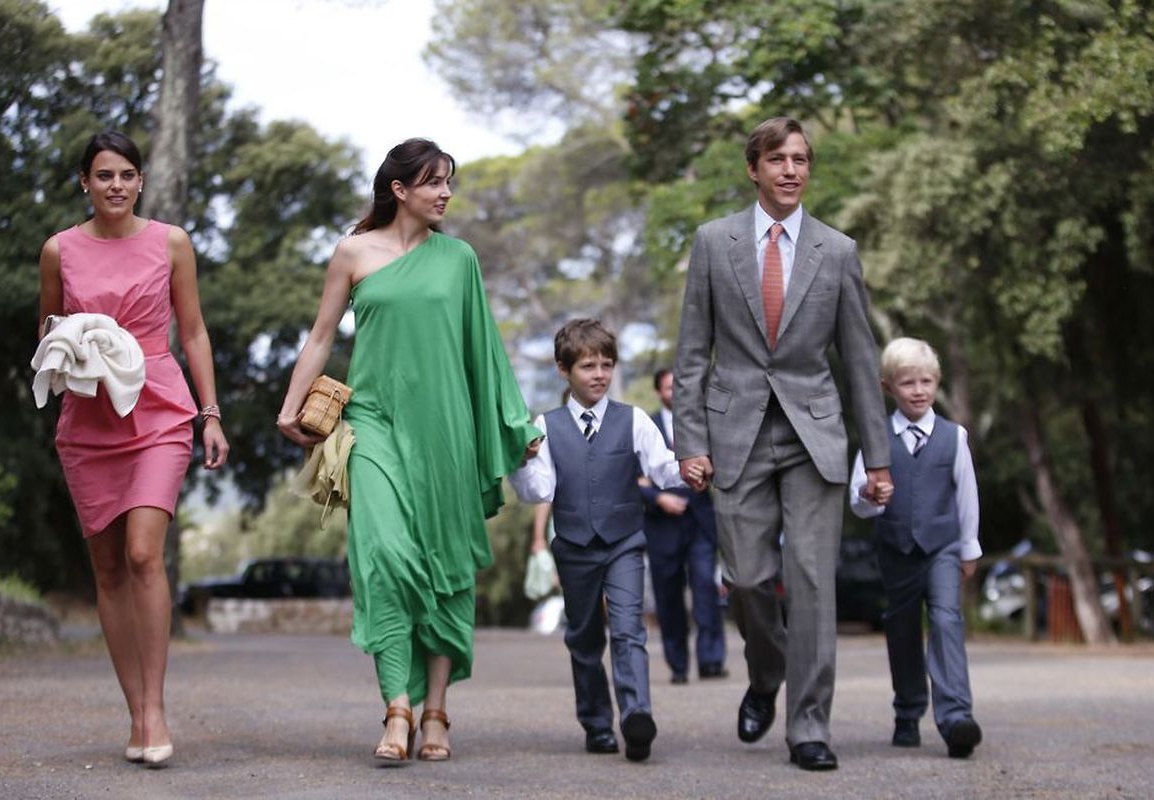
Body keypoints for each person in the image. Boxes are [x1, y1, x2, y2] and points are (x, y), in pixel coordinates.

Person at [276, 138, 541, 763]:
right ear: (400, 190)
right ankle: (397, 705)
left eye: (450, 182)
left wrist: (513, 422)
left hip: (445, 432)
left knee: (446, 569)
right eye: (433, 182)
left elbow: (484, 349)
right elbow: (320, 338)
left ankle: (437, 713)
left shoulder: (459, 260)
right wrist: (290, 405)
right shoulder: (353, 253)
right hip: (372, 427)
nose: (445, 193)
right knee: (386, 560)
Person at [672, 116, 893, 771]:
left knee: (813, 583)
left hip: (814, 434)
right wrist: (690, 441)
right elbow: (690, 355)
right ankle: (766, 673)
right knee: (745, 580)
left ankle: (809, 727)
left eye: (801, 159)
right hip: (734, 431)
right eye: (778, 160)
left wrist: (876, 457)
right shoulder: (714, 243)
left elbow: (859, 357)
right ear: (754, 169)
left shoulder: (838, 250)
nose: (792, 170)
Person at [37, 130, 229, 766]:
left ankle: (157, 709)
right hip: (89, 419)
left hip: (160, 409)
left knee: (145, 553)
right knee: (109, 569)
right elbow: (45, 335)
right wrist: (71, 342)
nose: (114, 184)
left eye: (125, 174)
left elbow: (194, 331)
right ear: (84, 184)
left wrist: (211, 416)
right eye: (102, 175)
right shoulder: (58, 250)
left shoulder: (170, 242)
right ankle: (135, 713)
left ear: (140, 181)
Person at [509, 319, 682, 762]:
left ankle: (636, 716)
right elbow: (539, 491)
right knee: (584, 639)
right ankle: (597, 722)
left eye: (607, 364)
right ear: (563, 369)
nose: (600, 374)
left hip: (625, 541)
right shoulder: (545, 426)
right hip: (574, 547)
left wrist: (693, 469)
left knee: (628, 630)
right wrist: (519, 462)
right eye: (588, 366)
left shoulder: (635, 419)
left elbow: (663, 468)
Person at [849, 337, 983, 758]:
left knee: (946, 621)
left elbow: (967, 494)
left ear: (937, 383)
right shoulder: (876, 438)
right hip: (896, 549)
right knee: (902, 630)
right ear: (888, 387)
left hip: (942, 547)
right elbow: (857, 498)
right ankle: (907, 713)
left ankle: (956, 717)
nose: (919, 390)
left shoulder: (953, 436)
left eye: (926, 381)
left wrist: (969, 547)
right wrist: (871, 499)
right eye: (908, 383)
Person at [641, 367, 728, 685]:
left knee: (706, 587)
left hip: (700, 522)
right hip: (662, 525)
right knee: (669, 597)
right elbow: (630, 476)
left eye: (679, 387)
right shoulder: (646, 426)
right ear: (658, 392)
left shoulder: (703, 423)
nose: (674, 393)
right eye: (667, 388)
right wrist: (658, 499)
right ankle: (678, 665)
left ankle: (711, 660)